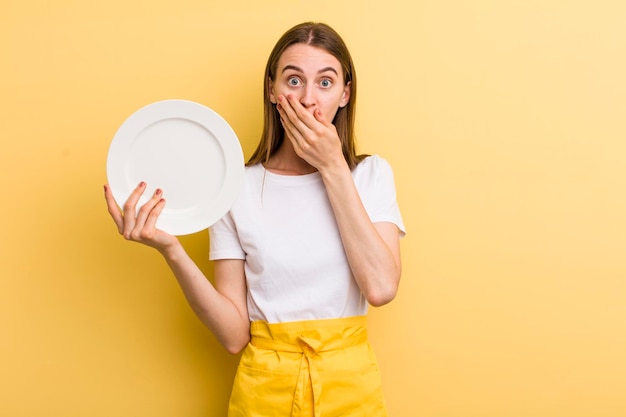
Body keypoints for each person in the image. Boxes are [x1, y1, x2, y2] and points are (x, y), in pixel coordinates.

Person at [104, 22, 405, 417]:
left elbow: (381, 287)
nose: (308, 99)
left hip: (350, 390)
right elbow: (233, 336)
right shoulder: (235, 188)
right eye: (293, 80)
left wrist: (333, 166)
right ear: (272, 91)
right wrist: (171, 249)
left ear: (345, 94)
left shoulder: (371, 174)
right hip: (264, 391)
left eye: (326, 83)